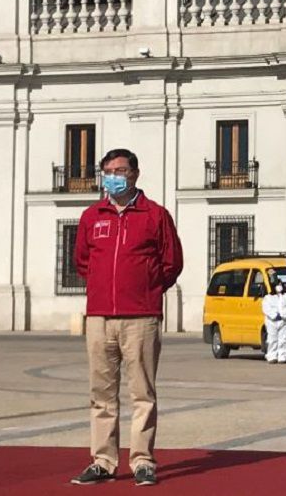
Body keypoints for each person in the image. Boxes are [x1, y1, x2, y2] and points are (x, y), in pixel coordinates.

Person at [71, 149, 184, 487]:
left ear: (135, 174)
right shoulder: (92, 216)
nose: (113, 176)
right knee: (101, 394)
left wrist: (148, 288)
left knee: (142, 393)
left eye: (120, 170)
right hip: (99, 317)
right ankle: (103, 461)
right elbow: (82, 261)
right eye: (107, 171)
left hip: (142, 317)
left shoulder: (156, 215)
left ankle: (142, 461)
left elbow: (171, 263)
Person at [262, 281, 286, 364]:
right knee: (272, 339)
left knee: (283, 339)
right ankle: (272, 356)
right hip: (271, 321)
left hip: (284, 321)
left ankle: (282, 357)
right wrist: (274, 315)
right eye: (277, 285)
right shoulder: (268, 297)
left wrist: (283, 315)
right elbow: (266, 308)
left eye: (280, 285)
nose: (279, 286)